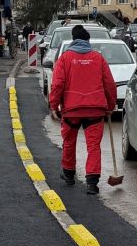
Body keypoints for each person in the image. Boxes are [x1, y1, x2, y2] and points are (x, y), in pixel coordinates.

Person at [48, 25, 117, 195]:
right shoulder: (98, 58)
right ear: (87, 40)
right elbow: (109, 84)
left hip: (71, 110)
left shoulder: (64, 58)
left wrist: (54, 105)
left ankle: (69, 174)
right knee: (93, 146)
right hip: (95, 111)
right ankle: (92, 183)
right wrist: (110, 106)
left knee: (69, 142)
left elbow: (57, 84)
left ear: (73, 39)